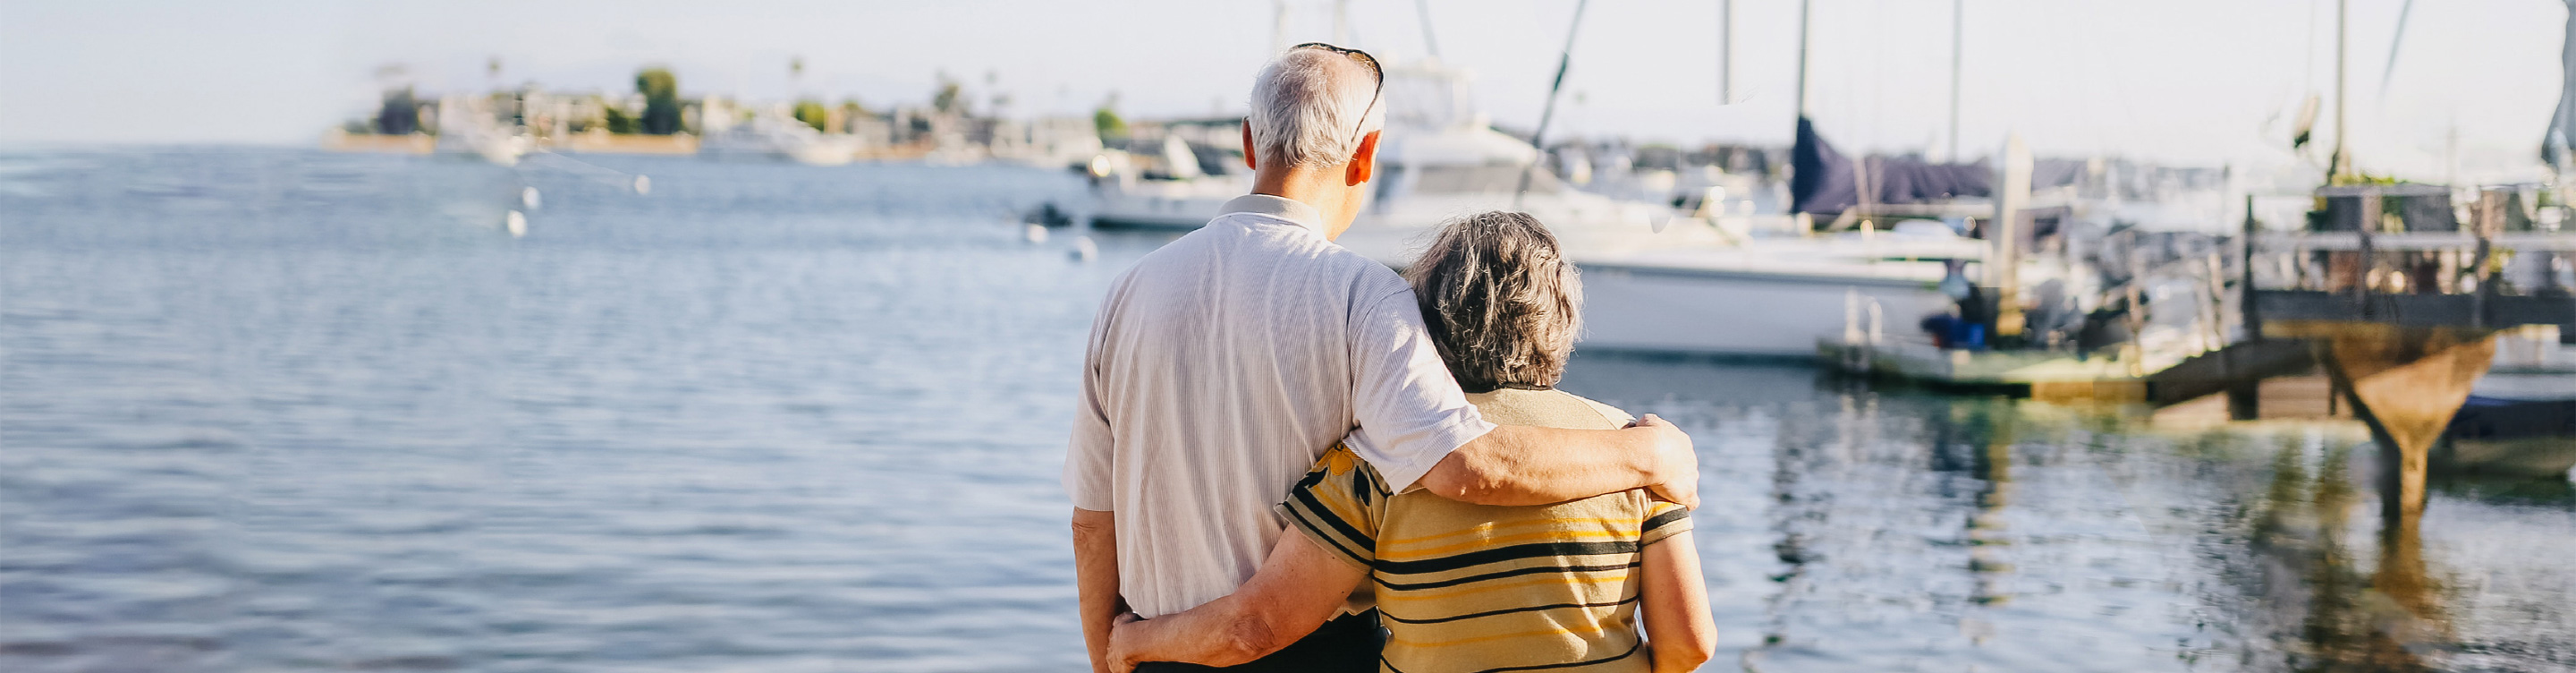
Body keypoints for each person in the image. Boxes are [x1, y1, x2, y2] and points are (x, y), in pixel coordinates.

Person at [1065, 45, 1701, 673]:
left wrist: (1116, 656)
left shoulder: (1127, 293)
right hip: (1316, 655)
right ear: (1366, 154)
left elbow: (1093, 523)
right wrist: (1650, 454)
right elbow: (1462, 465)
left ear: (1249, 144)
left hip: (1152, 650)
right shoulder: (1362, 296)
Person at [1104, 212, 1717, 673]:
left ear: (1425, 323)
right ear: (1562, 321)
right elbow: (1690, 643)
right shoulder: (1636, 450)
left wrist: (1133, 640)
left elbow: (1257, 626)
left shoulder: (1375, 462)